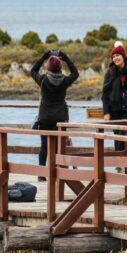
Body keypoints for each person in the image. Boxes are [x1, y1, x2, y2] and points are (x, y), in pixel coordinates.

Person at [31, 50, 79, 181]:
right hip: (59, 118)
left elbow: (33, 71)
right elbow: (75, 73)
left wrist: (44, 56)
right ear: (60, 67)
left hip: (45, 117)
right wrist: (66, 58)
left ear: (48, 67)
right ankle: (59, 173)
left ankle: (41, 174)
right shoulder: (64, 81)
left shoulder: (43, 80)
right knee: (59, 146)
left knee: (44, 146)